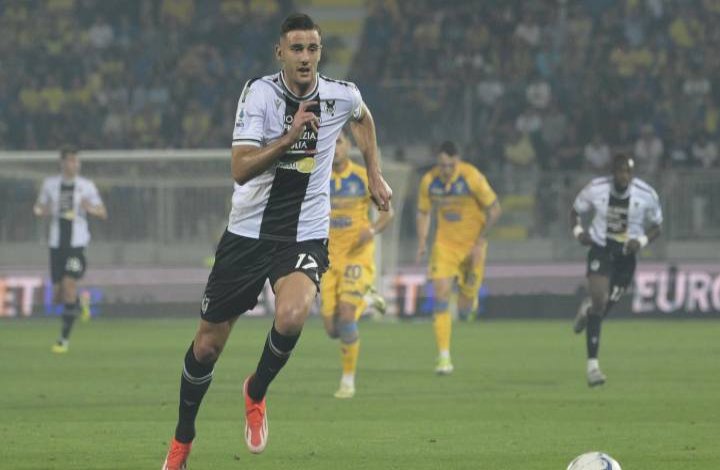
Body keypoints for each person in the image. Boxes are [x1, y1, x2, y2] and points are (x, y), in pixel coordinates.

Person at [162, 13, 392, 469]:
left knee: (292, 314)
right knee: (207, 346)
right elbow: (240, 168)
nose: (305, 57)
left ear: (319, 52)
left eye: (312, 48)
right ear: (280, 53)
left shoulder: (340, 96)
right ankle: (182, 442)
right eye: (296, 49)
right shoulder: (259, 94)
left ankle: (256, 391)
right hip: (248, 234)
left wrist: (374, 172)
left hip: (303, 232)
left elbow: (363, 119)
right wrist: (289, 138)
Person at [570, 154, 663, 387]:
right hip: (601, 249)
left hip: (626, 257)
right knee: (599, 303)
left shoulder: (647, 194)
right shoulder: (596, 189)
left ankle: (588, 309)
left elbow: (657, 226)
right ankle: (593, 367)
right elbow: (575, 211)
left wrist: (641, 241)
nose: (624, 176)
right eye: (620, 171)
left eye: (628, 172)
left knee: (601, 310)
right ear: (613, 172)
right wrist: (579, 233)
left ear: (632, 174)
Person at [320, 128, 394, 399]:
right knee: (331, 329)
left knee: (348, 315)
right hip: (327, 259)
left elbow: (389, 213)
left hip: (356, 256)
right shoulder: (317, 179)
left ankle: (348, 381)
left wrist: (372, 230)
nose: (336, 148)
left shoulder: (364, 177)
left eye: (339, 142)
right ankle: (369, 299)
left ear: (348, 145)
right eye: (331, 143)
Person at [416, 141, 501, 375]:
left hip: (473, 247)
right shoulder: (429, 181)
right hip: (444, 246)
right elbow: (423, 212)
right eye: (442, 165)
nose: (446, 170)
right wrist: (423, 240)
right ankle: (444, 357)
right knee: (441, 294)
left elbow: (495, 209)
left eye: (450, 165)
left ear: (458, 161)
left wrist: (481, 240)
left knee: (464, 310)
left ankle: (469, 301)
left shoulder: (472, 177)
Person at [33, 146, 107, 353]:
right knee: (58, 295)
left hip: (77, 244)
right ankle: (80, 302)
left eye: (77, 161)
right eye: (71, 160)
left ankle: (63, 341)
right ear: (62, 163)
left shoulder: (86, 186)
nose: (74, 164)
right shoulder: (50, 185)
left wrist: (89, 208)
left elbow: (103, 212)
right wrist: (42, 210)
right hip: (56, 244)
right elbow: (38, 207)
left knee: (68, 283)